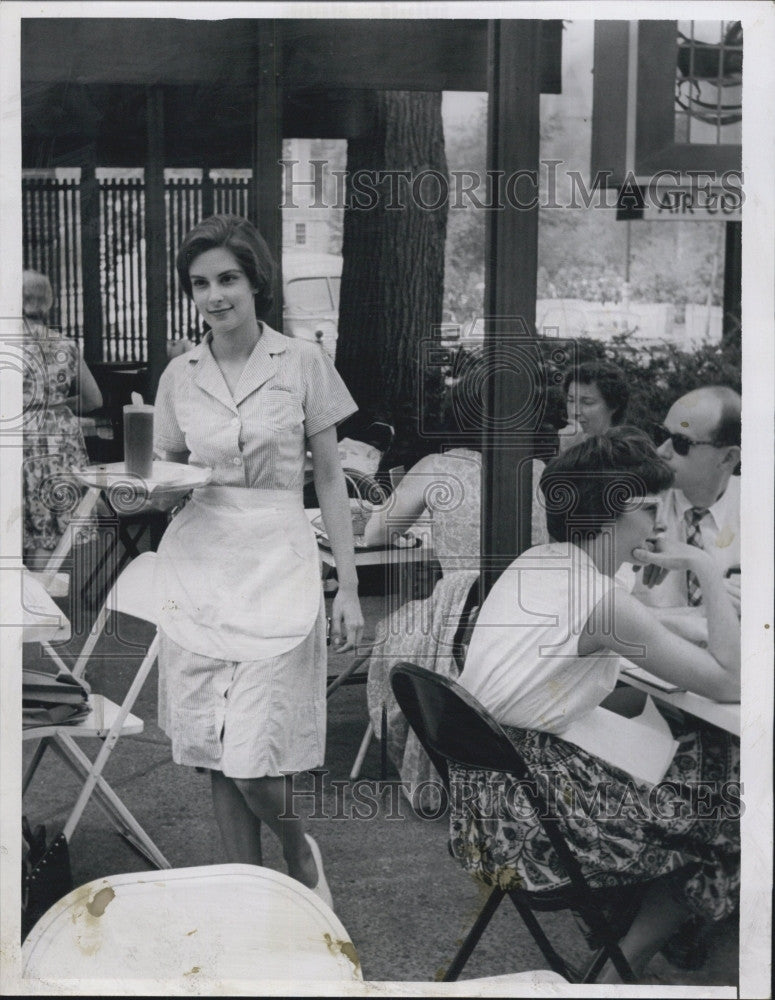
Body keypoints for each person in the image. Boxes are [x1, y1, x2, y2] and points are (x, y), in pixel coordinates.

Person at [452, 429, 740, 983]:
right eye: (651, 507)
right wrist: (703, 567)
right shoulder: (598, 600)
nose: (661, 522)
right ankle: (619, 971)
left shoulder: (542, 563)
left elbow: (627, 624)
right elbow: (730, 682)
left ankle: (630, 935)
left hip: (485, 804)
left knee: (699, 755)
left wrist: (685, 627)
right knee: (729, 807)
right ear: (610, 514)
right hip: (537, 826)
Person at [151, 215, 364, 905]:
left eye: (227, 279)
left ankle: (297, 854)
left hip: (279, 563)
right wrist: (139, 487)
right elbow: (166, 471)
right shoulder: (179, 375)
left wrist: (349, 587)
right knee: (217, 753)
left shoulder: (301, 362)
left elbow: (329, 479)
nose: (214, 295)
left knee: (255, 763)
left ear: (255, 282)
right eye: (200, 283)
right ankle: (246, 900)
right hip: (199, 566)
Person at [363, 371, 561, 807]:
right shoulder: (539, 470)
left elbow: (377, 532)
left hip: (459, 613)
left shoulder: (439, 467)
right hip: (529, 616)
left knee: (392, 631)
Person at [634, 386, 740, 616]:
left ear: (728, 457)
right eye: (661, 435)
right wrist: (709, 611)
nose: (661, 450)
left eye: (681, 442)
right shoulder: (634, 505)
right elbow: (603, 611)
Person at [22, 269, 103, 569]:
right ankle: (39, 602)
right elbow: (94, 400)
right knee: (47, 527)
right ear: (48, 302)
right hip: (58, 440)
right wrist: (56, 404)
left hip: (17, 439)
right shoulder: (65, 346)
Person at [559, 359, 629, 451]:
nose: (574, 411)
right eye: (571, 401)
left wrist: (571, 452)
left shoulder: (627, 451)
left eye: (587, 402)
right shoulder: (568, 443)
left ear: (613, 406)